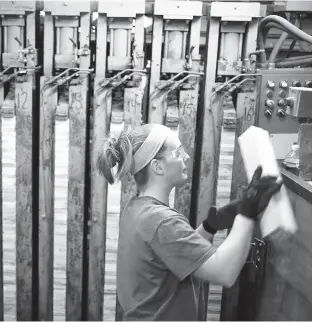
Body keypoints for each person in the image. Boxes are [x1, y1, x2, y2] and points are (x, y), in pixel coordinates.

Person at [97, 123, 282, 321]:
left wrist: (211, 226)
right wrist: (247, 213)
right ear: (157, 167)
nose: (185, 157)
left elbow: (175, 256)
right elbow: (224, 272)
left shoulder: (137, 209)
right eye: (178, 152)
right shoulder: (161, 221)